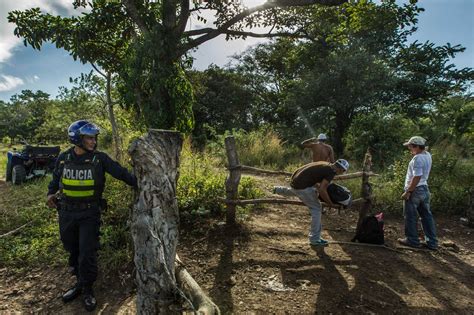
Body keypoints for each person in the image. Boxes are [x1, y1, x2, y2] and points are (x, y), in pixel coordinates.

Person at [46, 120, 137, 311]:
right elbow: (55, 181)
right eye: (89, 137)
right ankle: (79, 283)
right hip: (66, 213)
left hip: (89, 214)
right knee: (72, 249)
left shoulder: (100, 159)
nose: (93, 141)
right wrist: (50, 194)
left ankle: (88, 290)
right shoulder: (63, 158)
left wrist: (143, 183)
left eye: (94, 137)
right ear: (77, 138)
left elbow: (122, 174)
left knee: (87, 253)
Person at [274, 159, 349, 246]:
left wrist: (315, 187)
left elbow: (310, 175)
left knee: (298, 191)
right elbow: (322, 190)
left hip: (295, 181)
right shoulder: (331, 172)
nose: (342, 173)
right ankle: (315, 239)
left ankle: (276, 189)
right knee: (317, 208)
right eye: (343, 171)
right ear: (341, 169)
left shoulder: (325, 164)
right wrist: (330, 203)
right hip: (301, 187)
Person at [398, 136, 438, 250]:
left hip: (415, 190)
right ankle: (432, 242)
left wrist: (408, 191)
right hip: (424, 188)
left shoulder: (417, 159)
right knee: (426, 216)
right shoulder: (427, 155)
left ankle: (412, 240)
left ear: (416, 146)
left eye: (410, 146)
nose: (409, 149)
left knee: (410, 216)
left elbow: (417, 176)